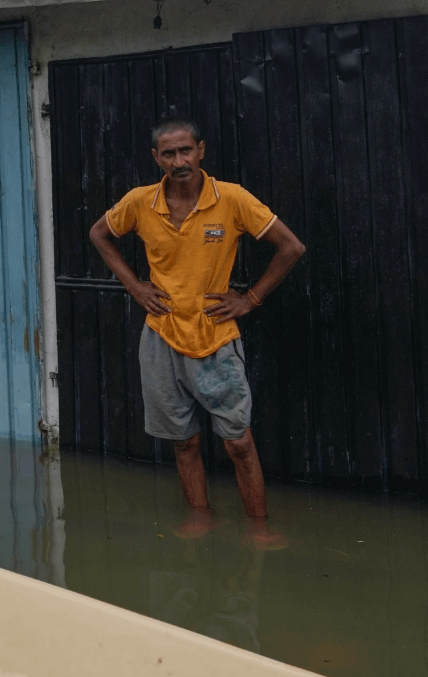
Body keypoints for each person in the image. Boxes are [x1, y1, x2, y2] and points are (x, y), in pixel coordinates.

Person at [88, 119, 305, 547]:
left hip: (216, 339)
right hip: (161, 337)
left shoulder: (231, 198)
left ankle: (259, 528)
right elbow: (99, 234)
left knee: (239, 442)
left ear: (201, 150)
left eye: (185, 151)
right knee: (183, 441)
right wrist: (135, 287)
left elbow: (291, 247)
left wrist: (251, 299)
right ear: (156, 159)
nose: (179, 161)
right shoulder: (140, 202)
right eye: (168, 154)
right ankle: (201, 517)